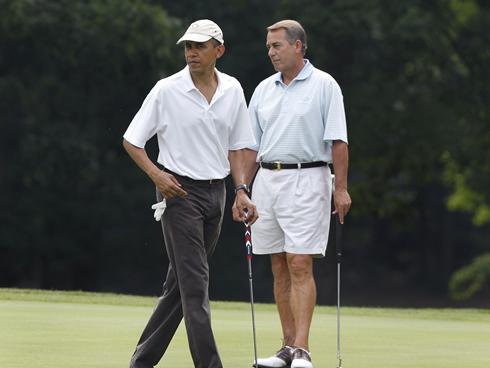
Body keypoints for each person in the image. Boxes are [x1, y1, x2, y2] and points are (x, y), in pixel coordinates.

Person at [123, 19, 258, 368]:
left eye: (199, 46)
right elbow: (132, 140)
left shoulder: (232, 89)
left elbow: (239, 147)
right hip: (179, 194)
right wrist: (157, 175)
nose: (191, 52)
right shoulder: (166, 89)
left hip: (217, 195)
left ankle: (141, 362)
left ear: (219, 50)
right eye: (187, 46)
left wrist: (241, 191)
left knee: (180, 285)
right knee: (196, 285)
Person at [233, 20, 351, 368]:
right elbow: (250, 148)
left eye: (277, 46)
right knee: (278, 264)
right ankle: (286, 348)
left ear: (298, 46)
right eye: (268, 46)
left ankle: (303, 349)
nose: (271, 52)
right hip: (267, 182)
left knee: (299, 262)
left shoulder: (324, 85)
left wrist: (341, 189)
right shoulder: (264, 90)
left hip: (309, 177)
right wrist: (242, 189)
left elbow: (339, 141)